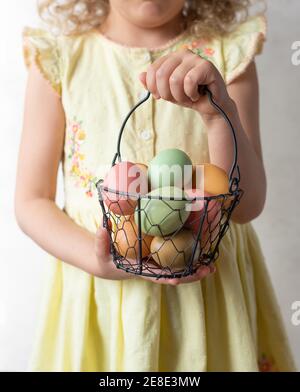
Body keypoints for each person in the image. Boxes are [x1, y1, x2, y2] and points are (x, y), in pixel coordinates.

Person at [15, 0, 296, 371]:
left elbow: (246, 206)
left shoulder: (227, 55)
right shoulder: (62, 58)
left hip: (211, 304)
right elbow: (31, 201)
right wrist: (96, 259)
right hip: (101, 300)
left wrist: (219, 114)